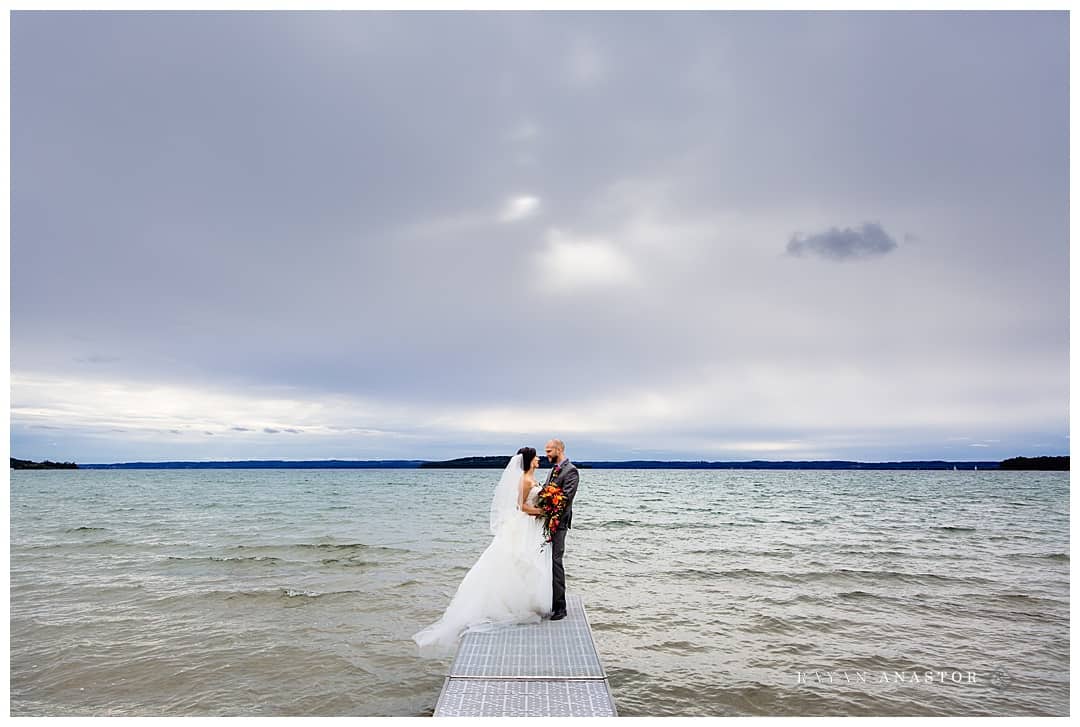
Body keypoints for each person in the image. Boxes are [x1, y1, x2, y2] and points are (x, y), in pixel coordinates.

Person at [412, 447, 552, 658]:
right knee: (518, 561)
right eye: (536, 457)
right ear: (529, 460)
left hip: (532, 526)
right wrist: (543, 511)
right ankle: (514, 604)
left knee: (530, 562)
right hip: (525, 524)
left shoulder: (532, 478)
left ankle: (530, 601)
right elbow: (521, 506)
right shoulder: (524, 480)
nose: (539, 459)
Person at [543, 438, 579, 620]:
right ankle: (547, 600)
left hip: (560, 523)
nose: (546, 454)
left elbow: (565, 499)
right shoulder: (552, 470)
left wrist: (550, 514)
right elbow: (546, 492)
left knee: (556, 562)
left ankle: (561, 607)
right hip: (547, 522)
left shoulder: (571, 471)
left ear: (559, 449)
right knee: (546, 562)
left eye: (549, 451)